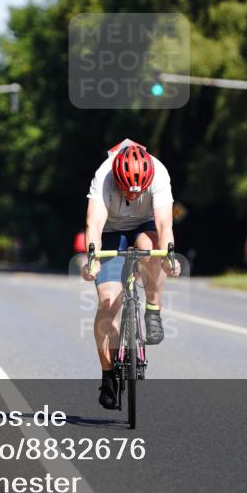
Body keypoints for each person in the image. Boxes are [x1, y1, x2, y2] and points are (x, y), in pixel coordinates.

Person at [81, 139, 182, 409]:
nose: (134, 196)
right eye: (128, 191)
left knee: (152, 250)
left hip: (143, 225)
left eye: (139, 191)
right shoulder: (104, 176)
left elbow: (164, 223)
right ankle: (108, 376)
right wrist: (93, 260)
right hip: (111, 231)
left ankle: (153, 308)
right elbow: (94, 224)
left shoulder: (159, 173)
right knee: (106, 302)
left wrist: (170, 256)